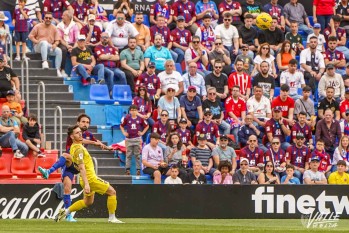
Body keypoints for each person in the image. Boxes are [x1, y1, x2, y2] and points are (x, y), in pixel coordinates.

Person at [54, 125, 123, 223]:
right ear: (72, 137)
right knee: (112, 192)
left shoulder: (75, 145)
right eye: (77, 133)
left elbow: (84, 141)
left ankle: (65, 212)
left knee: (88, 202)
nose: (80, 133)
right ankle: (112, 218)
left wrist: (100, 145)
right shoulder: (79, 149)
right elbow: (81, 167)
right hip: (90, 178)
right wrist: (87, 184)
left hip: (86, 178)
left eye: (80, 132)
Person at [28, 12, 63, 77]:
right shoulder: (38, 26)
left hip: (49, 46)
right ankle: (44, 61)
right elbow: (30, 36)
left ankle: (57, 70)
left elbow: (57, 39)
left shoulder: (54, 27)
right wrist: (36, 41)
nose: (48, 19)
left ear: (52, 19)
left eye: (50, 18)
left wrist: (55, 44)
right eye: (46, 18)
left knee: (59, 50)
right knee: (44, 42)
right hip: (38, 46)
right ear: (44, 18)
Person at [120, 105, 149, 176]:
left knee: (137, 155)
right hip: (129, 139)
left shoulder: (140, 119)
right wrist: (124, 132)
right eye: (132, 110)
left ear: (137, 111)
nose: (133, 111)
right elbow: (121, 126)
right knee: (128, 155)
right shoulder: (127, 118)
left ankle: (138, 170)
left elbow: (147, 126)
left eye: (135, 110)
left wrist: (142, 133)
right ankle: (127, 170)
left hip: (137, 139)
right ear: (129, 111)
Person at [56, 10, 79, 77]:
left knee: (76, 50)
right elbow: (60, 38)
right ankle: (62, 70)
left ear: (69, 17)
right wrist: (67, 46)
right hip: (63, 43)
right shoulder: (59, 26)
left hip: (72, 43)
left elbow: (77, 39)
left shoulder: (74, 25)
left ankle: (76, 71)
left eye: (64, 15)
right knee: (63, 50)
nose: (62, 16)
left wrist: (73, 47)